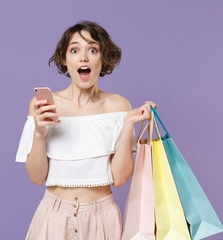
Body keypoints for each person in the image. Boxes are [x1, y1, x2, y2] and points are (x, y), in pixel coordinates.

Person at [15, 20, 157, 240]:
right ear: (64, 59)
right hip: (53, 217)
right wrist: (38, 133)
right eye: (74, 50)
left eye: (93, 49)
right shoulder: (42, 106)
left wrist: (128, 125)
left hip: (102, 218)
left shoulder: (119, 106)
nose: (83, 57)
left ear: (103, 58)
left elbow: (119, 178)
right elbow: (36, 177)